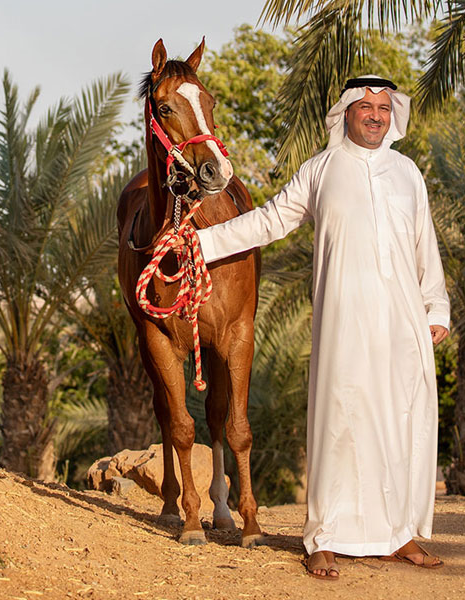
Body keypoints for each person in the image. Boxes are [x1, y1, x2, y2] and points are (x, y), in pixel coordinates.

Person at [191, 75, 451, 580]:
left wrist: (435, 307)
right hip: (343, 319)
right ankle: (324, 538)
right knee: (340, 420)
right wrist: (202, 244)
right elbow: (267, 220)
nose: (376, 115)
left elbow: (426, 245)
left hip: (402, 319)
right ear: (346, 113)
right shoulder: (321, 169)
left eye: (383, 107)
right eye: (366, 107)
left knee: (399, 418)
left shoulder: (407, 173)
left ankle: (398, 534)